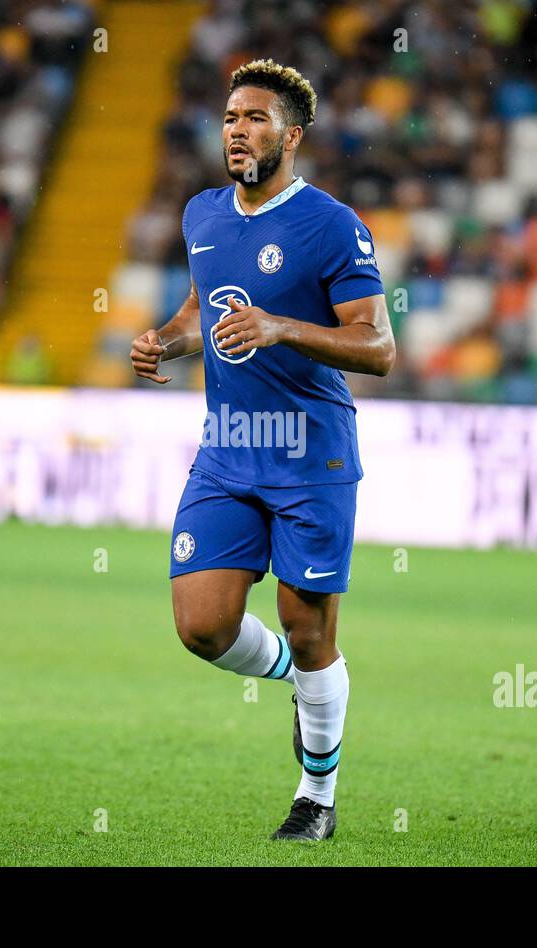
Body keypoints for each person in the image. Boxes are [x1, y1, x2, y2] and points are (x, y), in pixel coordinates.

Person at [129, 59, 395, 840]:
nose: (237, 130)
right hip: (228, 452)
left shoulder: (331, 224)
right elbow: (198, 307)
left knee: (310, 627)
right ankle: (303, 681)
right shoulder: (202, 215)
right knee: (201, 627)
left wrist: (281, 326)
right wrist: (167, 342)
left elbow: (378, 346)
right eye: (229, 118)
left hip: (312, 458)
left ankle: (316, 796)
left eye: (254, 118)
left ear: (292, 135)